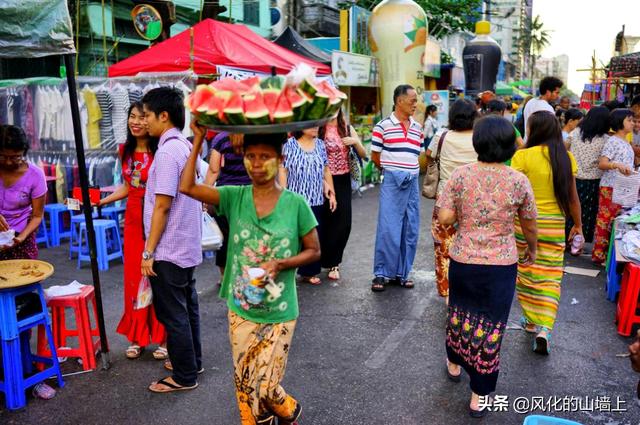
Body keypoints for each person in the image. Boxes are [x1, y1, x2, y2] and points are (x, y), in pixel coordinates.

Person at [180, 128, 320, 425]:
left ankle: (289, 409)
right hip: (241, 308)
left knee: (267, 387)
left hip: (280, 311)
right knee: (246, 383)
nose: (256, 163)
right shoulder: (234, 197)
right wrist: (198, 139)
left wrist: (281, 264)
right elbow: (187, 188)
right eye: (251, 156)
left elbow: (314, 251)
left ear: (280, 159)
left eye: (265, 157)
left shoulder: (296, 204)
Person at [437, 116, 538, 418]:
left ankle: (455, 364)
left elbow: (444, 218)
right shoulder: (518, 180)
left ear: (477, 142)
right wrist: (531, 248)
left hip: (464, 260)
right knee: (491, 325)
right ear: (509, 146)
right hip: (501, 263)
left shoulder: (460, 175)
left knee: (459, 314)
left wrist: (463, 218)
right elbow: (529, 222)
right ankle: (478, 396)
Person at [140, 87, 203, 393]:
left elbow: (162, 205)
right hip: (186, 246)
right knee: (187, 307)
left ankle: (184, 376)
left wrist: (148, 252)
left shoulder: (167, 152)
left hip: (170, 248)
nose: (144, 121)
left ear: (163, 116)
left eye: (147, 115)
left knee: (174, 313)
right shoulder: (183, 147)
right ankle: (193, 363)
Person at [97, 102, 166, 360]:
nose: (135, 122)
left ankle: (163, 337)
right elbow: (128, 186)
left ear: (150, 120)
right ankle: (138, 337)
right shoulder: (124, 150)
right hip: (133, 220)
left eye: (141, 117)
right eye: (132, 117)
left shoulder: (160, 149)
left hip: (156, 215)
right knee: (134, 279)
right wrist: (103, 201)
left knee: (158, 275)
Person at [511, 111, 583, 355]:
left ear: (534, 130)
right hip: (554, 225)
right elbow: (573, 197)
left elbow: (516, 195)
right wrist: (578, 225)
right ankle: (544, 328)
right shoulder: (566, 157)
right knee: (551, 276)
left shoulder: (522, 156)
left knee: (528, 272)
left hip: (525, 224)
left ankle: (530, 319)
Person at [0, 124, 56, 399]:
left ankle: (29, 374)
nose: (10, 161)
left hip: (23, 246)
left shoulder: (34, 175)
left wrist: (20, 237)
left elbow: (36, 215)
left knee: (23, 313)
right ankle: (5, 372)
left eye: (16, 156)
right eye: (5, 156)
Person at [370, 84, 423, 292]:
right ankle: (381, 273)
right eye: (412, 101)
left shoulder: (418, 128)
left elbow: (418, 154)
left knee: (410, 228)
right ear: (399, 101)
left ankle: (402, 273)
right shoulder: (382, 126)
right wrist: (392, 171)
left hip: (412, 181)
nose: (415, 105)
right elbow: (376, 157)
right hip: (392, 180)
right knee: (388, 227)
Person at [426, 99, 478, 301]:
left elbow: (429, 155)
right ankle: (467, 291)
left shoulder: (442, 135)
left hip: (445, 199)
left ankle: (448, 291)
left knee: (444, 246)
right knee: (472, 246)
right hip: (474, 200)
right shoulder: (479, 136)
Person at [280, 127, 336, 285]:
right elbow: (283, 170)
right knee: (292, 236)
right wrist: (284, 194)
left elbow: (326, 169)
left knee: (314, 235)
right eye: (312, 125)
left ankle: (308, 272)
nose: (316, 128)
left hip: (316, 198)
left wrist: (332, 194)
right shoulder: (289, 145)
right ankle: (287, 269)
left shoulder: (320, 144)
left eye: (317, 125)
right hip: (295, 199)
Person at [318, 109, 366, 280]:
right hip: (321, 180)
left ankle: (334, 262)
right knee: (324, 221)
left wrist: (355, 142)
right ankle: (322, 260)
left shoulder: (345, 127)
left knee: (344, 222)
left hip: (343, 179)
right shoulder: (318, 128)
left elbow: (363, 154)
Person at [203, 132, 251, 283]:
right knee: (247, 236)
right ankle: (247, 274)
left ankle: (224, 277)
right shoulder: (255, 135)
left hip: (224, 195)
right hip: (249, 194)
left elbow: (213, 170)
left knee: (226, 237)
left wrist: (205, 194)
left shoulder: (221, 138)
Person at [591, 108, 636, 265]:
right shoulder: (612, 141)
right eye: (629, 120)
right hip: (610, 186)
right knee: (605, 221)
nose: (633, 123)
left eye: (633, 120)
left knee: (617, 222)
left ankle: (609, 255)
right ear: (619, 122)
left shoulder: (625, 142)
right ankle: (598, 255)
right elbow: (602, 163)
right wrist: (616, 165)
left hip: (623, 187)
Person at [565, 106, 610, 246]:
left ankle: (567, 238)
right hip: (593, 182)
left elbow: (564, 148)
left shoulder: (576, 132)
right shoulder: (606, 139)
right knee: (588, 213)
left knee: (571, 210)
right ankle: (579, 241)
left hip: (574, 179)